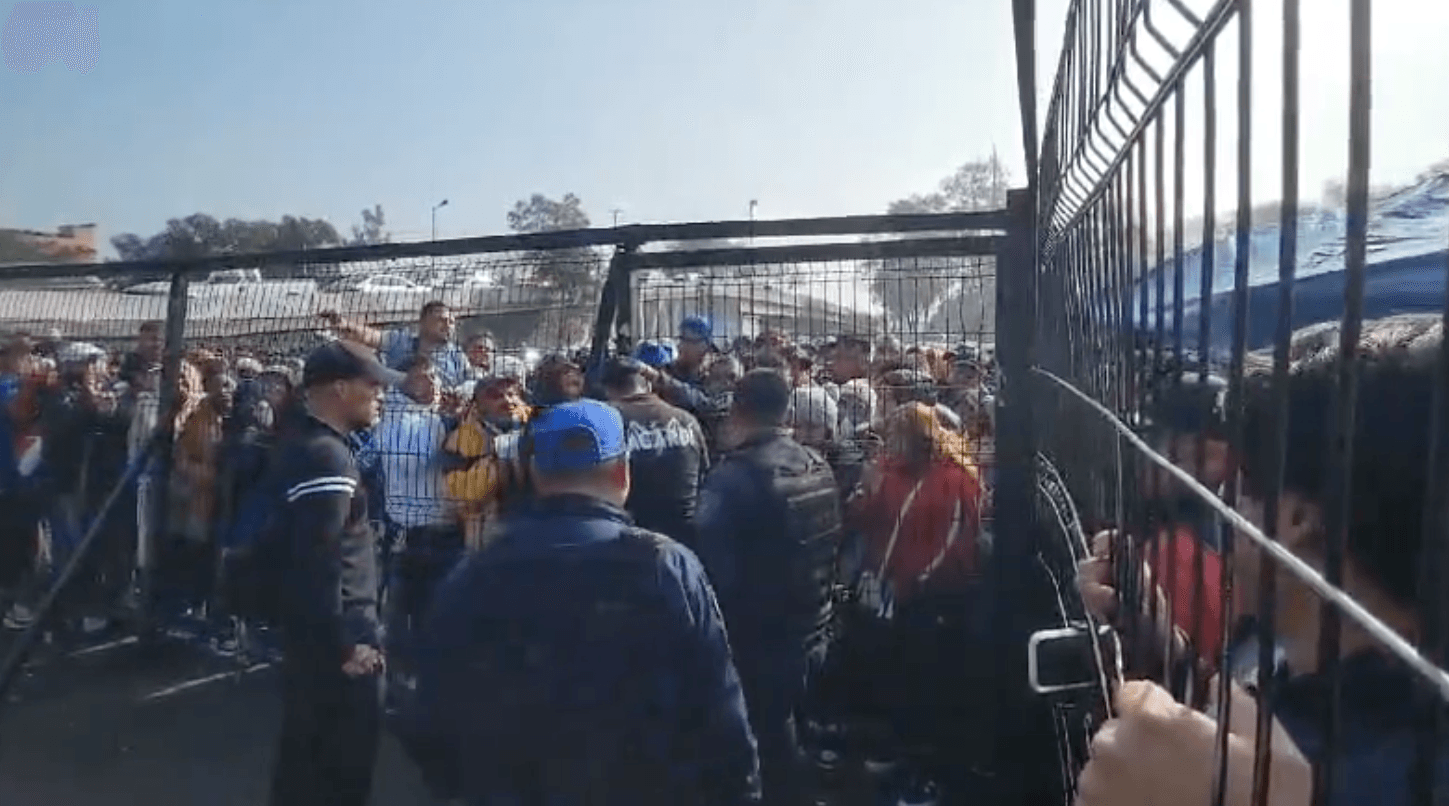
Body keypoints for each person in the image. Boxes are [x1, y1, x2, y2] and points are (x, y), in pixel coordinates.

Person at [1077, 315, 1449, 806]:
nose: (1225, 504)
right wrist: (1161, 642)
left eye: (1244, 483)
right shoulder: (1301, 673)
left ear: (1295, 517)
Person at [399, 399, 760, 804]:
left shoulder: (476, 571)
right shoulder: (666, 566)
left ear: (534, 474)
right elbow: (719, 707)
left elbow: (429, 713)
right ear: (623, 472)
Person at [694, 368, 845, 805]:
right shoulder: (816, 464)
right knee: (792, 736)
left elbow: (713, 576)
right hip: (813, 629)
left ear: (738, 411)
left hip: (759, 645)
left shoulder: (732, 479)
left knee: (766, 752)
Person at [268, 340, 392, 806]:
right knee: (335, 774)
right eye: (372, 385)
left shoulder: (306, 443)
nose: (379, 394)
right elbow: (317, 557)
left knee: (307, 766)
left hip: (318, 637)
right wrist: (346, 642)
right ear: (340, 388)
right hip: (340, 645)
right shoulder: (326, 456)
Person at [355, 354, 461, 688]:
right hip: (404, 535)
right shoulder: (390, 426)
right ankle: (405, 680)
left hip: (450, 533)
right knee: (402, 611)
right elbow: (361, 467)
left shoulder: (454, 419)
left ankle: (425, 677)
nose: (430, 383)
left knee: (436, 611)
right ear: (402, 384)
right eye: (420, 377)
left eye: (434, 377)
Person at [601, 356, 710, 547]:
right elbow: (704, 476)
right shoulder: (686, 420)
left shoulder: (606, 420)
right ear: (648, 386)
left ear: (607, 389)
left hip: (630, 541)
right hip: (687, 539)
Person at [320, 300, 470, 391]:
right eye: (441, 320)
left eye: (451, 322)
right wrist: (344, 325)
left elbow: (469, 384)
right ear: (423, 322)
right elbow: (370, 336)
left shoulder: (457, 356)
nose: (448, 325)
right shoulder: (401, 341)